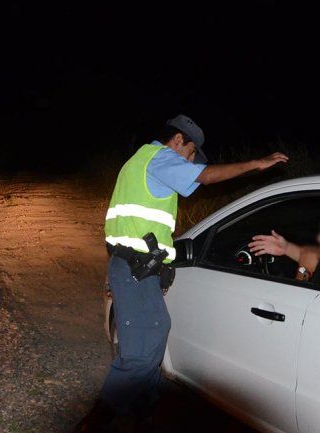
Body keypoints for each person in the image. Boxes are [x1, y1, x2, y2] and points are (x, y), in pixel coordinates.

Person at [77, 114, 288, 432]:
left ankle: (143, 409)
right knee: (137, 356)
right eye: (190, 154)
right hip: (133, 268)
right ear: (178, 140)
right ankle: (94, 422)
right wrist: (255, 164)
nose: (190, 162)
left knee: (159, 328)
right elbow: (205, 177)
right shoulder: (159, 158)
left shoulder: (141, 161)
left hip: (135, 267)